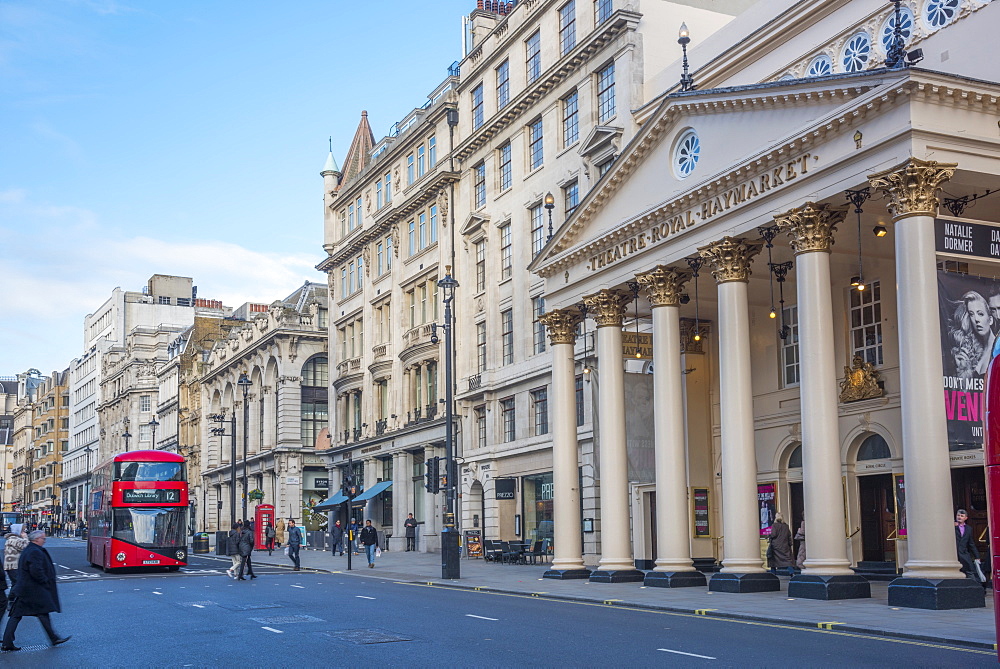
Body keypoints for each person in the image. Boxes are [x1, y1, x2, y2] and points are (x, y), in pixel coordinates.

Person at [2, 531, 70, 651]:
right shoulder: (34, 551)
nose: (44, 541)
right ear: (37, 539)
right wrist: (45, 581)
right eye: (43, 539)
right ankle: (53, 638)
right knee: (31, 613)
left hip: (26, 588)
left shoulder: (30, 549)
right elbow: (35, 570)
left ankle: (53, 638)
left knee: (27, 614)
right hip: (32, 589)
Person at [949, 291, 995, 378]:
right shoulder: (971, 351)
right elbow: (964, 390)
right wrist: (961, 371)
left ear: (990, 320)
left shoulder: (997, 350)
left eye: (980, 314)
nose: (976, 319)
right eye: (971, 314)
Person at [955, 508, 983, 584]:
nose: (959, 517)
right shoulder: (952, 527)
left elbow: (971, 543)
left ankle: (976, 587)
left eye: (962, 516)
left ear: (965, 518)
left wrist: (977, 556)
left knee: (970, 570)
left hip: (964, 553)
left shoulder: (968, 529)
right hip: (954, 554)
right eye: (958, 515)